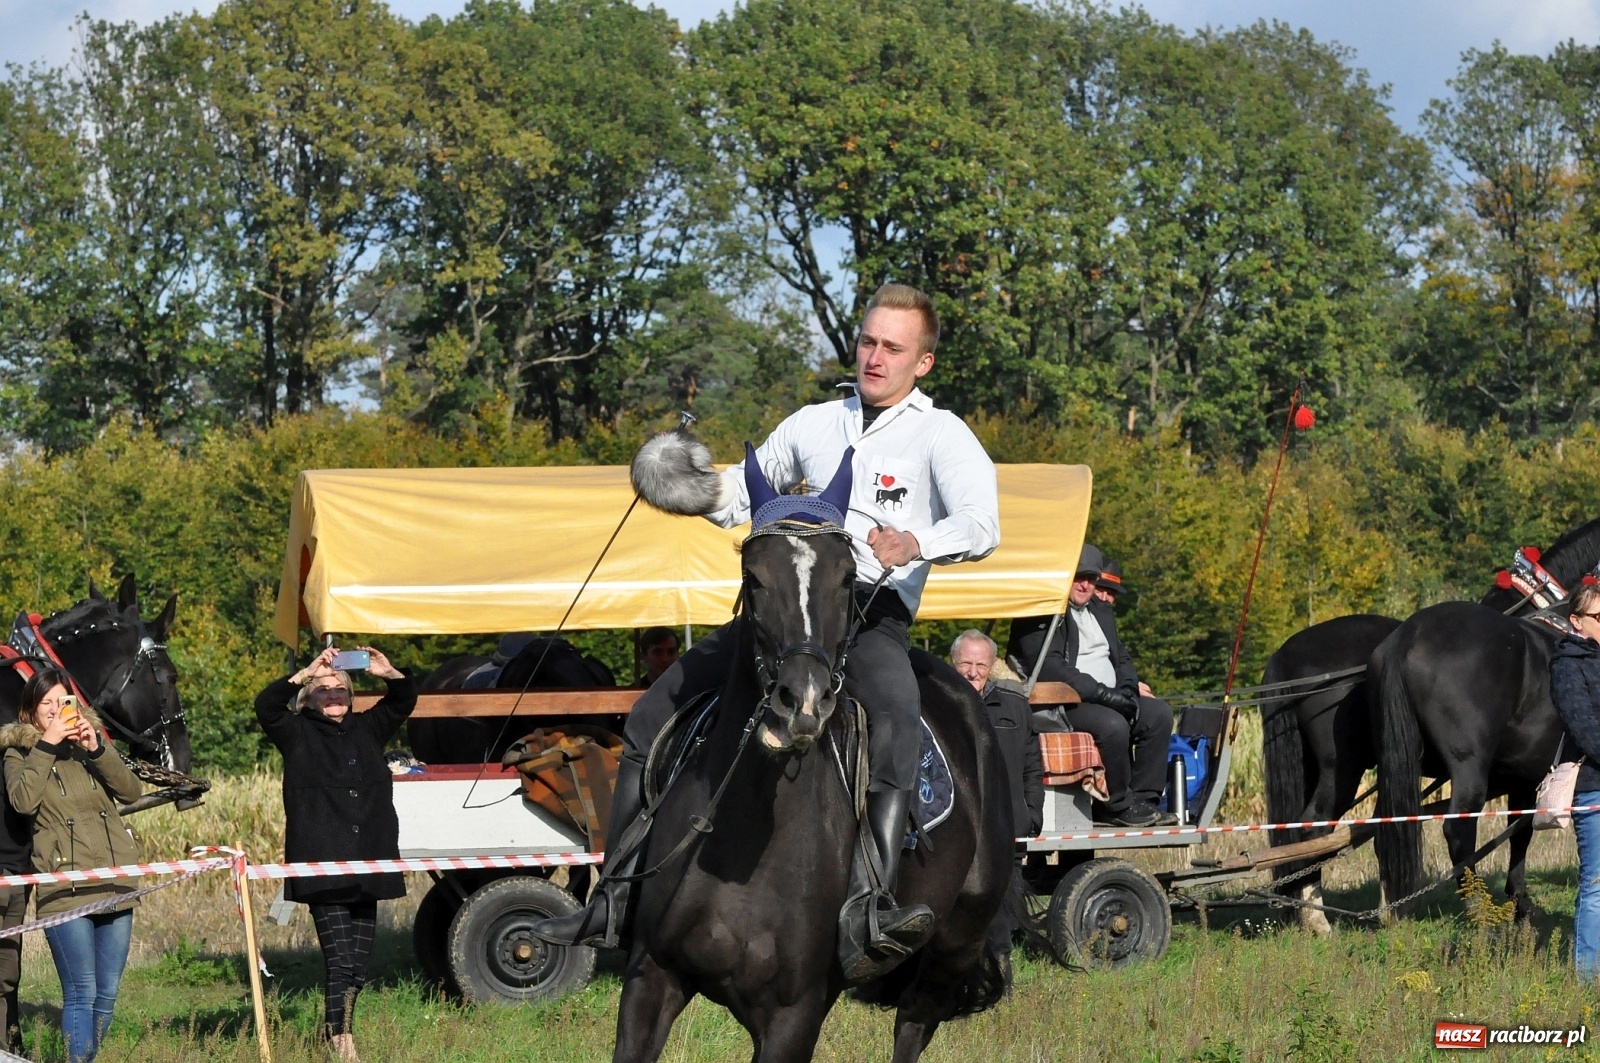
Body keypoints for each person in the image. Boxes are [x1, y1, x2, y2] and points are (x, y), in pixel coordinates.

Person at [533, 282, 1001, 981]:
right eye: (868, 340)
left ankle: (870, 903)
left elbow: (982, 525)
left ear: (922, 363)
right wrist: (682, 484)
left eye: (892, 348)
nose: (874, 357)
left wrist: (917, 541)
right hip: (779, 618)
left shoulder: (942, 436)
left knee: (899, 716)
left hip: (869, 617)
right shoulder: (813, 422)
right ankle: (616, 894)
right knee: (650, 713)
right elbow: (741, 493)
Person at [256, 645, 415, 1063]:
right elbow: (266, 706)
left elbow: (403, 700)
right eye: (323, 690)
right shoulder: (296, 732)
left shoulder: (368, 728)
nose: (333, 696)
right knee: (341, 963)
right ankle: (341, 1046)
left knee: (358, 968)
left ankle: (337, 1033)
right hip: (323, 868)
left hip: (369, 862)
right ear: (309, 697)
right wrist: (305, 673)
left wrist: (387, 671)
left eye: (340, 689)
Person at [0, 667, 144, 1063]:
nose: (53, 710)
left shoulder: (88, 746)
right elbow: (23, 801)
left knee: (108, 993)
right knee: (82, 991)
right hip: (66, 889)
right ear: (30, 711)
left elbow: (131, 791)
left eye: (61, 701)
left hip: (115, 882)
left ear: (74, 704)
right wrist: (46, 745)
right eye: (44, 703)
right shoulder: (18, 753)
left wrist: (97, 747)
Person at [1006, 544, 1175, 828]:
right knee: (1112, 725)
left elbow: (1121, 657)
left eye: (1092, 578)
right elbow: (1050, 667)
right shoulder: (1043, 612)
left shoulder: (1100, 610)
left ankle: (1144, 801)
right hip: (1063, 702)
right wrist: (1104, 695)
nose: (1085, 584)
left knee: (1158, 715)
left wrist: (1128, 689)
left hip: (1107, 696)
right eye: (1078, 576)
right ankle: (1116, 805)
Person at [1550, 583, 1600, 980]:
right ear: (1576, 621)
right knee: (1597, 887)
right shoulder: (1568, 664)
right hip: (1594, 787)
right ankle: (1587, 980)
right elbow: (1584, 727)